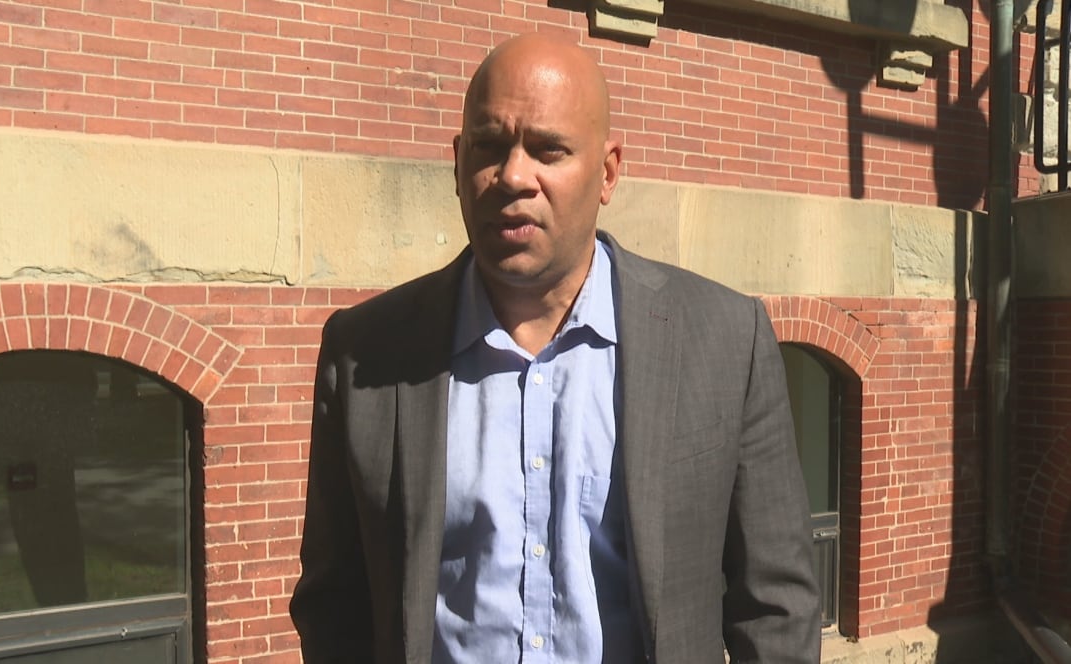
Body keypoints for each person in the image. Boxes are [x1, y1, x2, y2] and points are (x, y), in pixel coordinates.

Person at [290, 33, 820, 663]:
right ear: (458, 164)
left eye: (549, 150)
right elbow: (335, 604)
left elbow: (776, 607)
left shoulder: (725, 341)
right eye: (489, 147)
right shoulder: (365, 355)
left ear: (608, 172)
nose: (514, 176)